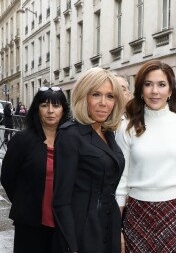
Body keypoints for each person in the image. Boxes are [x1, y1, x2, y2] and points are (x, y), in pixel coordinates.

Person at [115, 60, 176, 253]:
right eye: (148, 84)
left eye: (161, 84)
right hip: (137, 213)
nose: (154, 91)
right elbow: (120, 181)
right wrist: (117, 228)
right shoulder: (126, 128)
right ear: (140, 90)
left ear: (170, 90)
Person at [52, 68, 126, 253]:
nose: (103, 103)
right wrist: (72, 246)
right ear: (83, 97)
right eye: (96, 95)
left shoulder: (107, 132)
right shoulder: (70, 134)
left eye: (110, 96)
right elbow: (61, 200)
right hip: (83, 228)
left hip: (108, 223)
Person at [1, 87, 70, 253]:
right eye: (44, 105)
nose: (50, 111)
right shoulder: (23, 139)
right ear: (36, 109)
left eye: (56, 105)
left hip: (63, 222)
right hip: (30, 221)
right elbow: (8, 177)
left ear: (63, 110)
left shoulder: (71, 139)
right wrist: (24, 201)